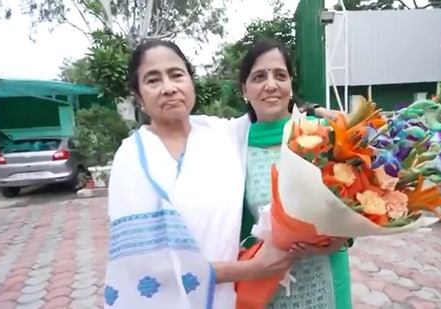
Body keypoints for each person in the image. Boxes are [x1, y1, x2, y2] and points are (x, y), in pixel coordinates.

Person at [104, 39, 300, 309]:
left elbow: (270, 111)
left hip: (229, 300)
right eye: (153, 80)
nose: (169, 88)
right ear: (139, 97)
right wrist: (251, 269)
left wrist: (319, 118)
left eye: (176, 75)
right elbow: (142, 267)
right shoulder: (133, 158)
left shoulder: (222, 134)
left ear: (191, 81)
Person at [238, 39, 354, 308]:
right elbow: (233, 226)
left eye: (280, 75)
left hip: (324, 273)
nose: (271, 85)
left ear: (290, 84)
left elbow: (355, 200)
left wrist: (337, 239)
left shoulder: (320, 133)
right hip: (267, 283)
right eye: (259, 77)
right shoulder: (235, 148)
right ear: (245, 88)